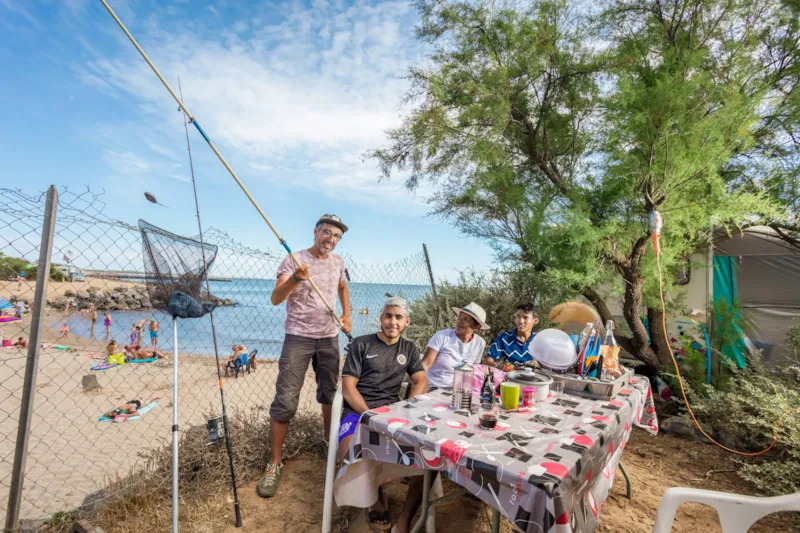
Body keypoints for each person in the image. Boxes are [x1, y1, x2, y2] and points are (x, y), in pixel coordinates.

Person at [258, 214, 352, 498]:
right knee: (286, 399)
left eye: (336, 236)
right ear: (315, 231)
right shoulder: (294, 260)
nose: (330, 239)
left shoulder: (338, 261)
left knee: (328, 394)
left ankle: (328, 444)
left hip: (329, 337)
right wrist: (296, 279)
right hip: (298, 337)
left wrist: (347, 315)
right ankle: (274, 463)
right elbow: (276, 298)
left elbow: (342, 286)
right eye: (327, 232)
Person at [337, 297, 428, 531]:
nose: (392, 322)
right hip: (357, 411)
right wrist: (368, 415)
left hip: (391, 412)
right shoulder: (361, 344)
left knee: (428, 456)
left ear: (407, 322)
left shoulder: (409, 348)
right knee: (348, 452)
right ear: (381, 318)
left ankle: (405, 518)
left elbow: (421, 381)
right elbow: (348, 387)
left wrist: (408, 408)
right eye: (388, 316)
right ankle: (375, 498)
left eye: (398, 317)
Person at [422, 302, 490, 391]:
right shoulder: (442, 336)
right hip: (432, 387)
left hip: (459, 391)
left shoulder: (480, 343)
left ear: (477, 326)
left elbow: (475, 370)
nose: (459, 321)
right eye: (459, 317)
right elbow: (425, 365)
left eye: (465, 319)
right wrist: (419, 387)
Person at [485, 303, 539, 367]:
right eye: (518, 316)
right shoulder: (504, 339)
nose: (521, 321)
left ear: (535, 320)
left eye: (525, 317)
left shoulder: (539, 342)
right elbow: (488, 360)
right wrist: (500, 367)